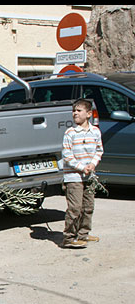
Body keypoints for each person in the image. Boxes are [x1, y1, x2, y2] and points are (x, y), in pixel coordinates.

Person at [61, 98, 103, 249]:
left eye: (79, 111)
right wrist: (80, 167)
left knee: (88, 206)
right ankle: (69, 237)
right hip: (74, 176)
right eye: (74, 111)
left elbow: (99, 150)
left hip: (89, 176)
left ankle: (83, 233)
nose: (75, 114)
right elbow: (67, 155)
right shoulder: (70, 133)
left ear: (89, 114)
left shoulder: (95, 131)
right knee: (75, 208)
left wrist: (92, 164)